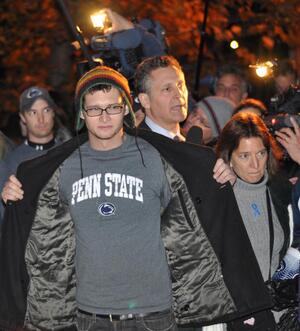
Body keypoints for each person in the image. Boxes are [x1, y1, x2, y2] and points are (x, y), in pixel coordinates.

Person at [0, 66, 274, 330]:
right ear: (83, 113)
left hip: (153, 314)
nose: (104, 117)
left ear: (127, 109)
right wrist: (15, 194)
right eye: (95, 109)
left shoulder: (160, 158)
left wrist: (219, 173)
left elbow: (198, 205)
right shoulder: (60, 169)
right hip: (88, 315)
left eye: (113, 107)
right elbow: (37, 224)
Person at [216, 112, 292, 328]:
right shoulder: (219, 193)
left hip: (276, 313)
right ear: (228, 156)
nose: (255, 164)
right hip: (235, 313)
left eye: (261, 153)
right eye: (244, 156)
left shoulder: (280, 190)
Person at [135, 55, 235, 185]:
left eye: (180, 85)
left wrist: (226, 186)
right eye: (167, 89)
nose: (179, 95)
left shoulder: (199, 147)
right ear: (145, 100)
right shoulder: (134, 150)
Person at [0, 86, 66, 220]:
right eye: (33, 112)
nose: (41, 119)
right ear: (23, 117)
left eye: (46, 110)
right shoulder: (10, 163)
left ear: (53, 112)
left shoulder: (69, 154)